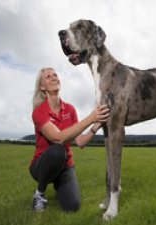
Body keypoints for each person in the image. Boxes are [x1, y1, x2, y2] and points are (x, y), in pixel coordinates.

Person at [29, 67, 109, 212]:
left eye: (55, 75)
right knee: (57, 150)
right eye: (48, 77)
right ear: (42, 87)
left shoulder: (70, 109)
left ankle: (58, 183)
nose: (53, 77)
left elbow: (80, 142)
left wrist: (95, 126)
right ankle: (39, 193)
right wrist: (91, 117)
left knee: (72, 206)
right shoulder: (39, 112)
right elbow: (58, 138)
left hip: (65, 166)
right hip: (41, 165)